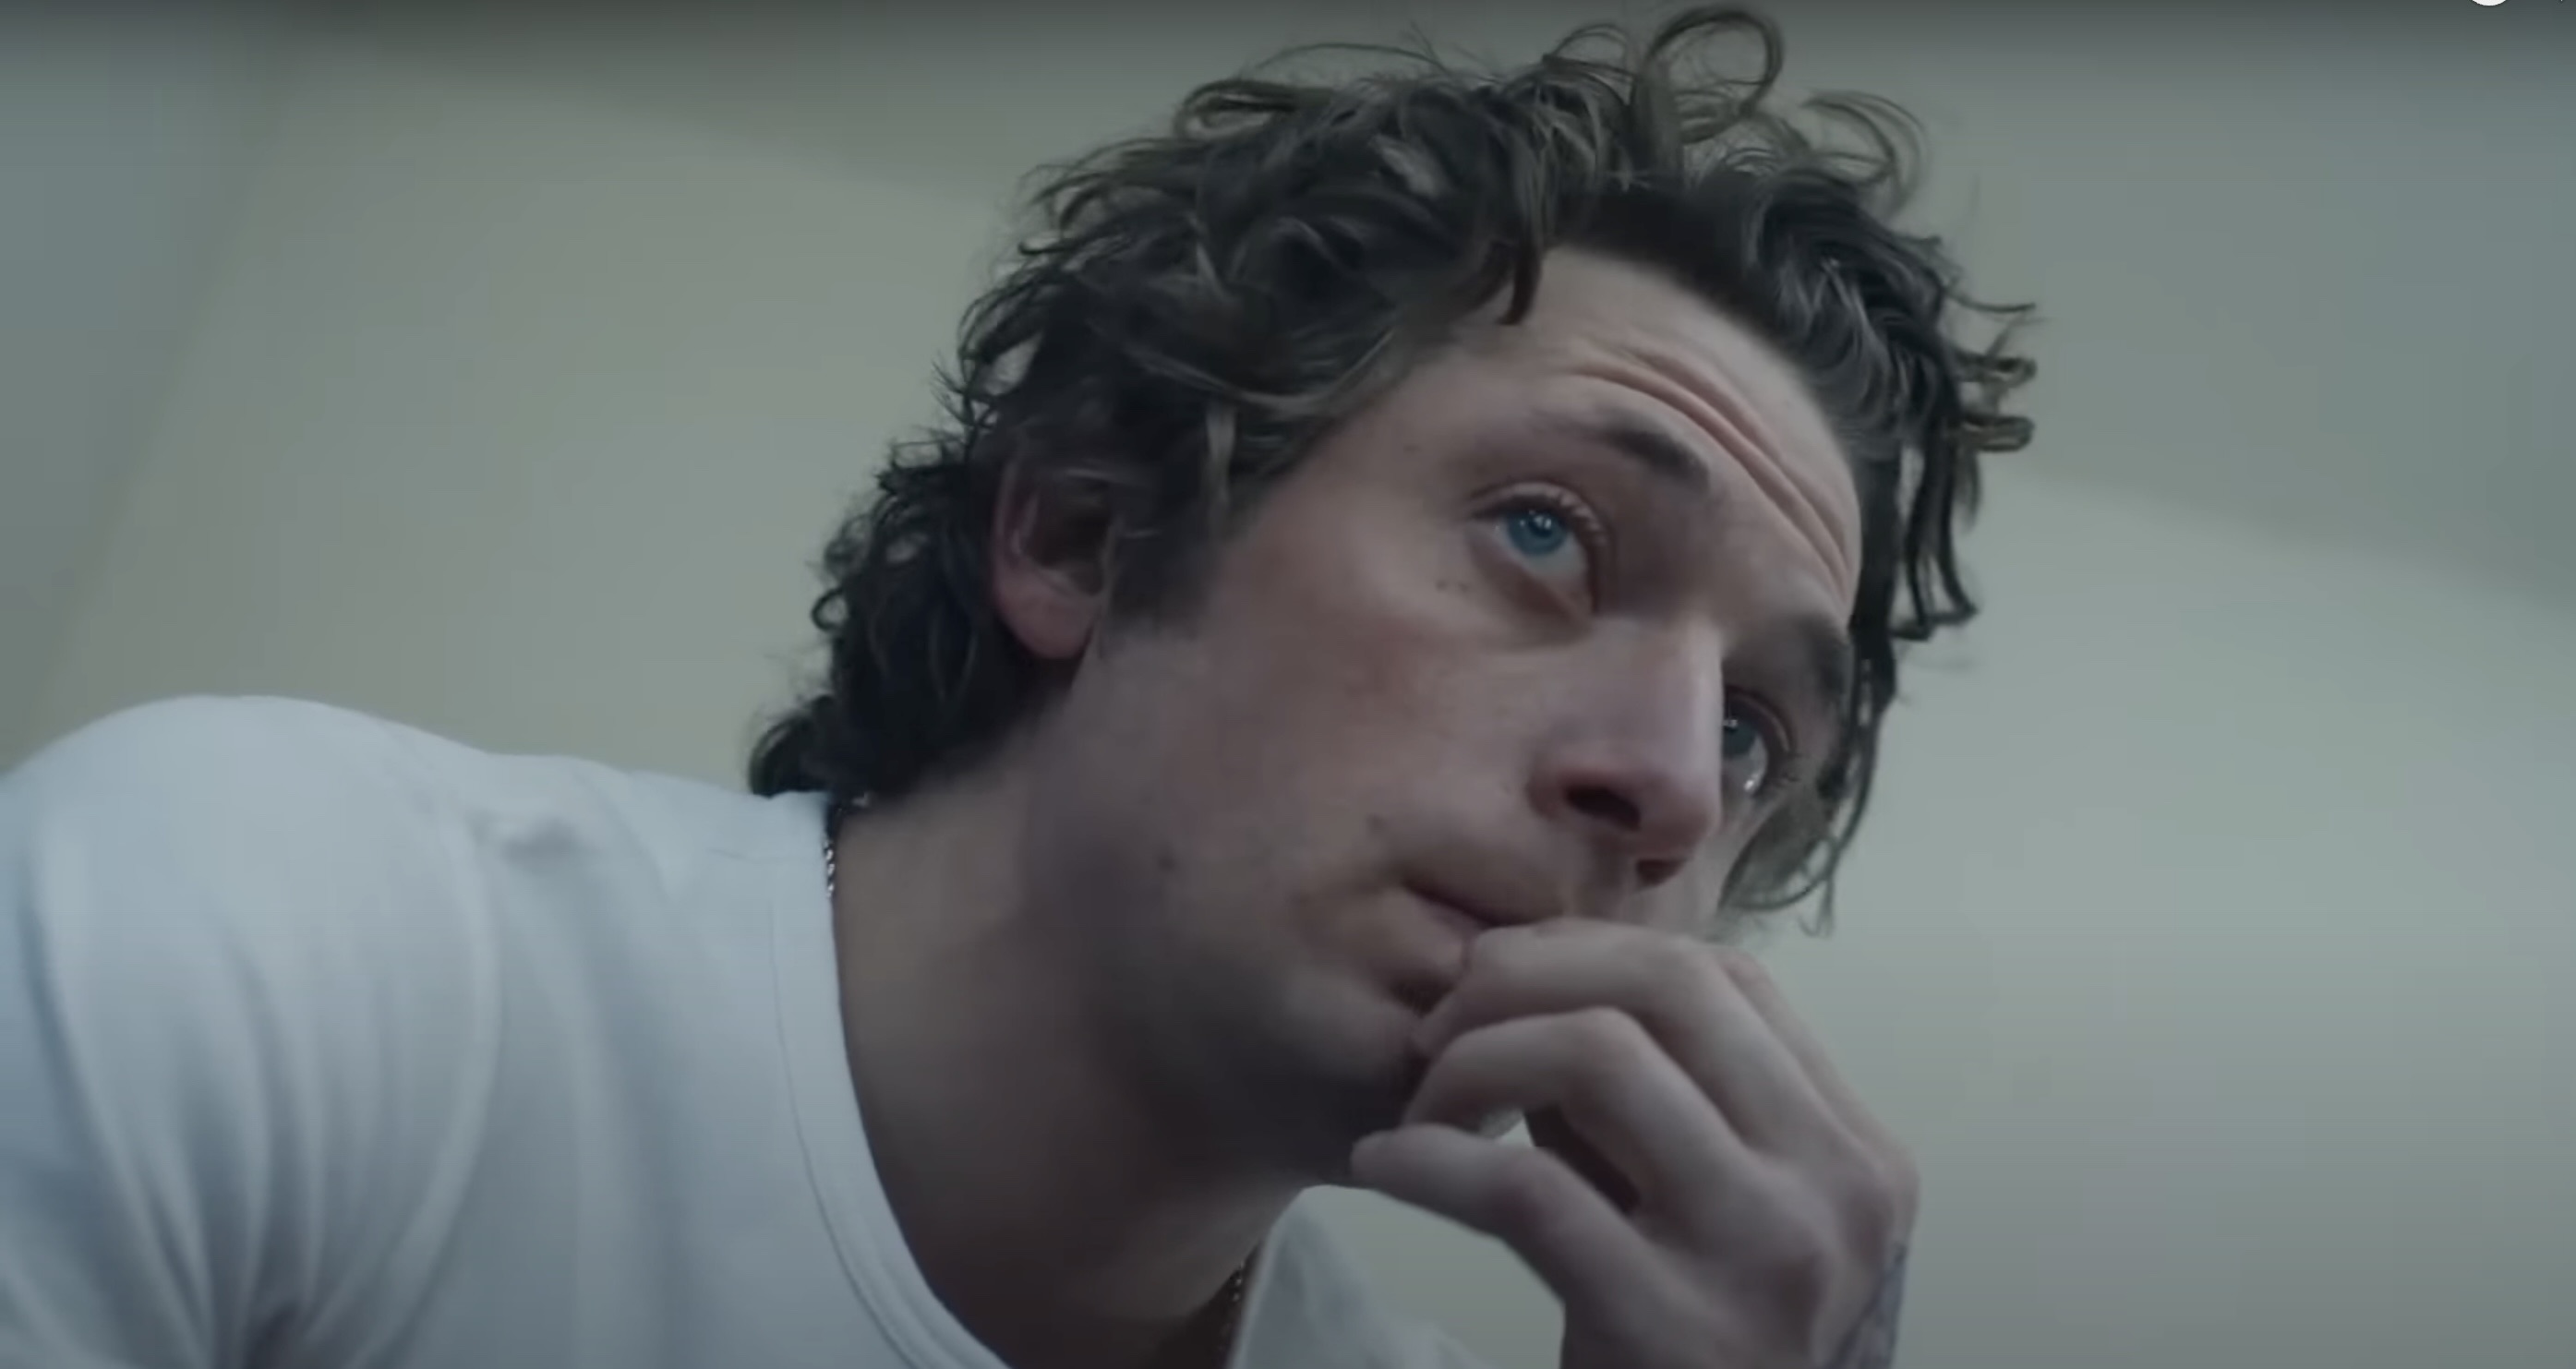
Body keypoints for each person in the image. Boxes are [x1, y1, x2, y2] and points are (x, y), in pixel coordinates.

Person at [0, 7, 2033, 1368]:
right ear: (1082, 532)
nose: (1672, 786)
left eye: (1755, 732)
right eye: (1546, 533)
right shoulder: (270, 939)